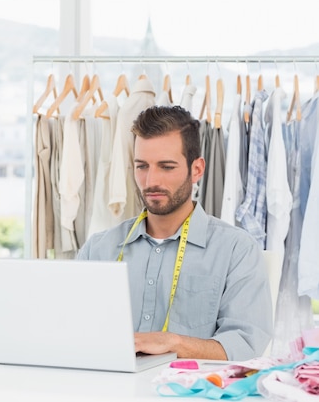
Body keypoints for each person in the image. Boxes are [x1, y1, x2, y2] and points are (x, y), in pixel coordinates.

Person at [77, 105, 273, 361]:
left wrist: (172, 342)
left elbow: (246, 345)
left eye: (166, 167)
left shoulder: (237, 250)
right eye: (142, 166)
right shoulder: (98, 249)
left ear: (197, 169)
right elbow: (72, 329)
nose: (150, 181)